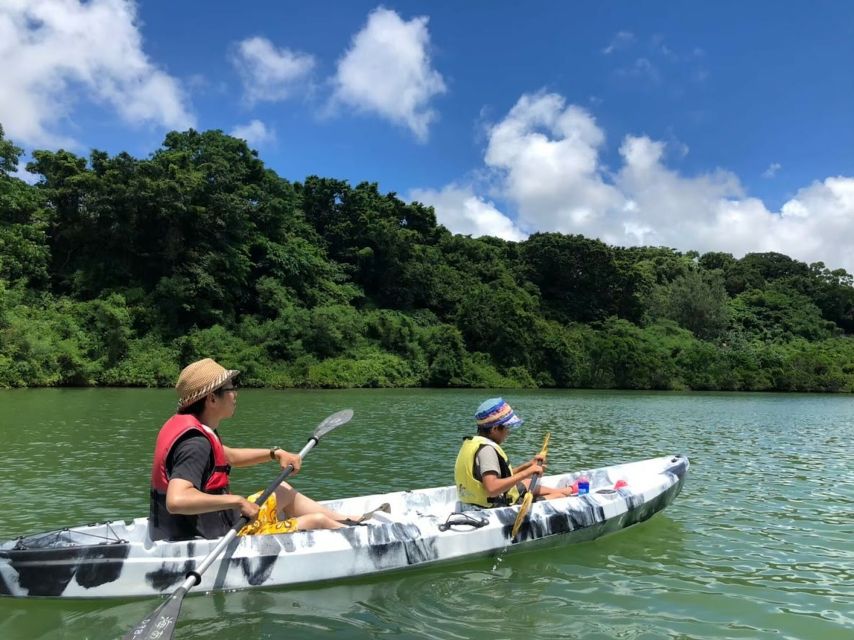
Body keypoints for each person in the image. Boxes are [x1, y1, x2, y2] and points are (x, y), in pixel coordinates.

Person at [149, 358, 382, 541]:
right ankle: (363, 540)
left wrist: (275, 453)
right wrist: (238, 502)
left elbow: (227, 456)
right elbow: (177, 500)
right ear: (211, 399)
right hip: (216, 538)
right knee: (316, 521)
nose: (235, 394)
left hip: (215, 524)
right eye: (231, 387)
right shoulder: (195, 444)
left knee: (282, 490)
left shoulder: (200, 429)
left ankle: (350, 520)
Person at [454, 397, 574, 510]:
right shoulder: (487, 450)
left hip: (474, 501)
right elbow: (492, 488)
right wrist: (528, 472)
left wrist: (528, 465)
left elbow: (502, 476)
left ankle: (566, 490)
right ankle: (564, 493)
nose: (508, 432)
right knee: (559, 499)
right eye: (506, 427)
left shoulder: (475, 443)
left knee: (526, 482)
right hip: (492, 507)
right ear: (494, 429)